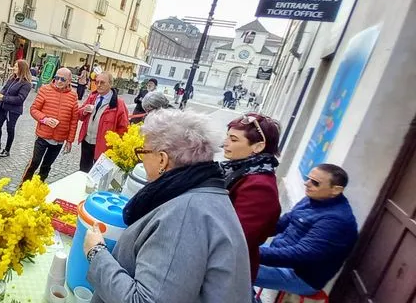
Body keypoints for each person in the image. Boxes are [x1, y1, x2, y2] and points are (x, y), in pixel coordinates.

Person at [83, 109, 251, 303]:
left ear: (162, 159)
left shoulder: (186, 215)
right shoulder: (202, 195)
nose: (141, 159)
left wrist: (96, 254)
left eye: (143, 152)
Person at [254, 164, 358, 298]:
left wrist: (253, 253)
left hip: (299, 276)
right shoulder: (311, 199)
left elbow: (300, 255)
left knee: (232, 268)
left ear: (336, 190)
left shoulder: (336, 220)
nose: (306, 183)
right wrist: (247, 233)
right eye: (308, 178)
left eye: (315, 183)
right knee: (228, 253)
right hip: (281, 256)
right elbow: (280, 224)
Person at [221, 114, 282, 285]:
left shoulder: (259, 186)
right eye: (227, 137)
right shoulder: (242, 170)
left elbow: (236, 238)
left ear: (258, 146)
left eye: (233, 139)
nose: (225, 143)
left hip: (228, 271)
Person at [22, 68, 79, 182]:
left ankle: (38, 189)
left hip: (59, 139)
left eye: (62, 79)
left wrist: (70, 141)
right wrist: (45, 119)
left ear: (69, 81)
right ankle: (23, 187)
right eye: (56, 77)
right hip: (43, 135)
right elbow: (34, 109)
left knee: (46, 166)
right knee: (34, 162)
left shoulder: (73, 96)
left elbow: (74, 120)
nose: (58, 81)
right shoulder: (45, 89)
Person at [78, 72, 129, 172]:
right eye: (97, 82)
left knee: (98, 174)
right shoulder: (92, 97)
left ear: (110, 84)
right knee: (83, 170)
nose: (99, 85)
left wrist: (115, 146)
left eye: (102, 82)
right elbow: (79, 115)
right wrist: (84, 111)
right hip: (87, 141)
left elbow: (123, 128)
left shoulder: (118, 104)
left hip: (104, 147)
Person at [0, 59, 32, 158]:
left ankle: (7, 150)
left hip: (13, 110)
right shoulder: (12, 78)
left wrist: (5, 98)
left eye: (16, 66)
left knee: (10, 129)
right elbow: (5, 88)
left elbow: (20, 99)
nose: (14, 68)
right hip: (3, 106)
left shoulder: (26, 84)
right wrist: (1, 93)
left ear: (22, 68)